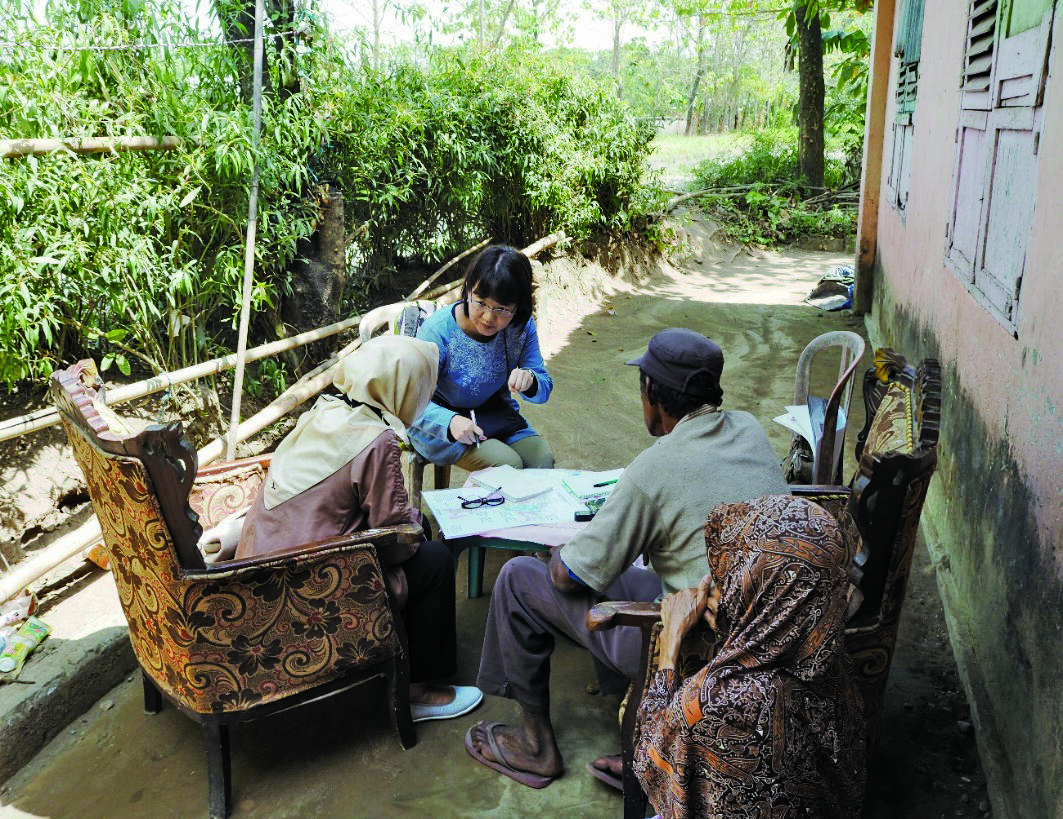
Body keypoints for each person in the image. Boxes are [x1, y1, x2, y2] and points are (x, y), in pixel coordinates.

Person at [464, 327, 789, 787]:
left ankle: (537, 746)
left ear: (652, 394)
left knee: (519, 578)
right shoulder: (750, 429)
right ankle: (643, 738)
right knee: (619, 569)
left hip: (691, 642)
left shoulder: (653, 469)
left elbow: (564, 579)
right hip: (764, 627)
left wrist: (564, 553)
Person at [236, 334, 482, 722]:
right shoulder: (376, 439)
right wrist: (419, 526)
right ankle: (418, 691)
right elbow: (398, 538)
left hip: (256, 575)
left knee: (423, 541)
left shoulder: (325, 410)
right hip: (309, 591)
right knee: (434, 557)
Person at [635, 494, 866, 818]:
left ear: (763, 593)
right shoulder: (827, 651)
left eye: (731, 577)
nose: (713, 583)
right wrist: (737, 623)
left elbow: (649, 755)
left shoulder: (718, 701)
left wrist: (670, 641)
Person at [408, 244, 555, 472]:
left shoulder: (521, 327)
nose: (488, 317)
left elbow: (544, 387)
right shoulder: (437, 332)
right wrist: (450, 421)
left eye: (502, 309)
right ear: (468, 290)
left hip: (494, 414)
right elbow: (408, 401)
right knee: (509, 466)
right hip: (440, 421)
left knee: (541, 460)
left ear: (519, 306)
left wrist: (531, 380)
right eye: (481, 303)